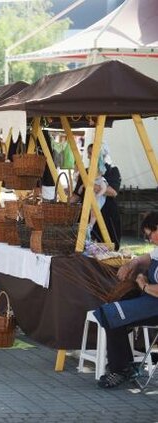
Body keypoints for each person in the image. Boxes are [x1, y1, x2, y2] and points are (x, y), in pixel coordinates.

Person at [96, 212, 158, 388]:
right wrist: (132, 264)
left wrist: (144, 285)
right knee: (114, 309)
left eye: (149, 235)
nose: (149, 240)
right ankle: (125, 366)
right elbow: (147, 257)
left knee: (112, 314)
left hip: (155, 304)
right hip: (150, 300)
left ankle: (120, 370)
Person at [72, 143, 122, 250]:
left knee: (107, 248)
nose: (89, 156)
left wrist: (91, 185)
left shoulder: (112, 171)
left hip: (107, 215)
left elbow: (113, 191)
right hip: (87, 214)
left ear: (100, 155)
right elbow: (76, 195)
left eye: (91, 153)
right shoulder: (85, 172)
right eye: (88, 153)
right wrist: (65, 204)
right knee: (86, 246)